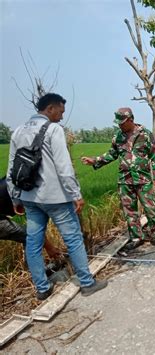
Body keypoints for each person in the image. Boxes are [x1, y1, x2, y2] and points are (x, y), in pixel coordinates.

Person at [6, 93, 107, 300]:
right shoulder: (53, 130)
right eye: (60, 112)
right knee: (73, 238)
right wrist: (76, 194)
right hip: (55, 199)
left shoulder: (17, 132)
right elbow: (64, 167)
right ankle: (87, 283)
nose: (61, 116)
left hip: (29, 198)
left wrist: (15, 198)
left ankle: (42, 289)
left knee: (33, 243)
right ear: (50, 109)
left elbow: (11, 169)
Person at [81, 107, 155, 250]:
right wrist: (95, 160)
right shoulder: (118, 137)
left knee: (151, 208)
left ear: (130, 119)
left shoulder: (145, 134)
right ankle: (136, 237)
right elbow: (111, 154)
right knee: (130, 211)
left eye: (122, 122)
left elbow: (153, 155)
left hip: (143, 179)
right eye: (118, 123)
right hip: (125, 180)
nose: (120, 125)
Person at [0, 177, 61, 258]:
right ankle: (33, 269)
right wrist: (49, 247)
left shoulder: (16, 178)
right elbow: (34, 228)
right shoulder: (25, 187)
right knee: (31, 237)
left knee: (29, 236)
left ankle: (32, 267)